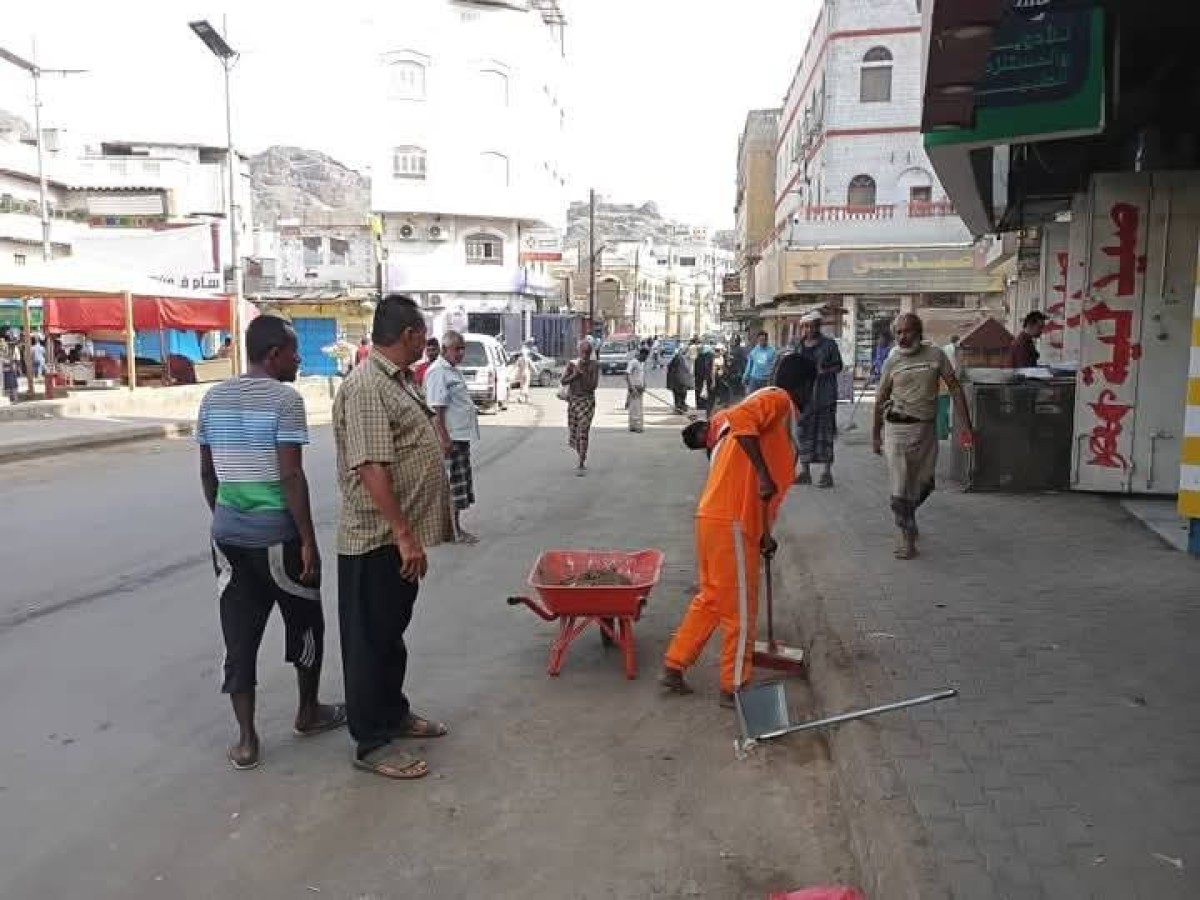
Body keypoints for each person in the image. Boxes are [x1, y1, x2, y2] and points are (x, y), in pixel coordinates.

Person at [196, 314, 345, 771]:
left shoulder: (212, 398)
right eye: (295, 351)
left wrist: (225, 517)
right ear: (275, 354)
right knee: (305, 624)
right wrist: (307, 540)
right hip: (277, 539)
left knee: (238, 635)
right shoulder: (285, 400)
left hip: (228, 539)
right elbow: (291, 475)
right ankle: (307, 711)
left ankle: (246, 740)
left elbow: (208, 473)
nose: (300, 359)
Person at [333, 294, 453, 781]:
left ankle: (393, 713)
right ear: (408, 335)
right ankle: (371, 740)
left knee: (389, 636)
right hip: (376, 539)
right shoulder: (366, 386)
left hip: (400, 539)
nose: (423, 344)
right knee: (368, 643)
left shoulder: (397, 380)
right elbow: (370, 466)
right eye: (421, 335)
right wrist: (403, 534)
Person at [661, 353, 818, 707]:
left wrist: (765, 533)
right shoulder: (777, 399)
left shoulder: (773, 412)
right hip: (731, 521)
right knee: (741, 611)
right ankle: (734, 687)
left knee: (713, 599)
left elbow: (726, 434)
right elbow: (739, 418)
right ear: (806, 385)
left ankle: (674, 665)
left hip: (717, 518)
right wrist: (763, 472)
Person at [872, 313, 975, 560]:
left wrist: (965, 426)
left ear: (918, 332)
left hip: (926, 430)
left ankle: (908, 514)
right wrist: (875, 434)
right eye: (897, 333)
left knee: (924, 485)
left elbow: (955, 388)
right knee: (900, 487)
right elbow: (880, 399)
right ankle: (907, 539)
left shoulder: (936, 355)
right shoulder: (892, 360)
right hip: (897, 430)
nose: (901, 337)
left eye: (906, 331)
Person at [424, 330, 481, 544]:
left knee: (459, 485)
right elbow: (436, 411)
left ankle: (454, 528)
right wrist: (444, 439)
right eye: (457, 349)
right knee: (452, 486)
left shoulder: (452, 370)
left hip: (460, 436)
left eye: (462, 349)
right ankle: (453, 531)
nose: (460, 353)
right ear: (445, 349)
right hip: (451, 438)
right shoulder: (438, 371)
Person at [793, 311, 844, 488]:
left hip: (824, 396)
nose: (809, 329)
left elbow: (839, 366)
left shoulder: (829, 345)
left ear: (818, 326)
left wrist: (825, 371)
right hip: (803, 398)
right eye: (806, 326)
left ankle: (826, 473)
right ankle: (805, 472)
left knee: (825, 433)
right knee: (803, 433)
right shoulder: (798, 346)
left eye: (812, 325)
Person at [561, 338, 600, 475]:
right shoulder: (572, 364)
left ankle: (581, 459)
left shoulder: (594, 365)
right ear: (579, 352)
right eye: (583, 352)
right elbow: (563, 381)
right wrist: (574, 375)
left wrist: (582, 375)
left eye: (587, 352)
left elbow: (593, 386)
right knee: (575, 431)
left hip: (587, 402)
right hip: (574, 401)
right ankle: (580, 453)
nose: (585, 355)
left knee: (583, 430)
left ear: (590, 353)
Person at [626, 345, 649, 432]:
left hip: (640, 389)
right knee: (636, 408)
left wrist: (644, 384)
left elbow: (641, 376)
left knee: (637, 407)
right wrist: (631, 387)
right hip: (634, 388)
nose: (646, 359)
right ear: (641, 354)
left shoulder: (641, 364)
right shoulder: (633, 362)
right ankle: (637, 427)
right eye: (645, 357)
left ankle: (633, 426)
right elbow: (627, 375)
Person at [666, 345, 693, 414]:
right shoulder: (686, 360)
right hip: (684, 382)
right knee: (682, 395)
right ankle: (682, 408)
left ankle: (679, 409)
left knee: (677, 396)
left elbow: (670, 366)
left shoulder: (678, 358)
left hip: (678, 382)